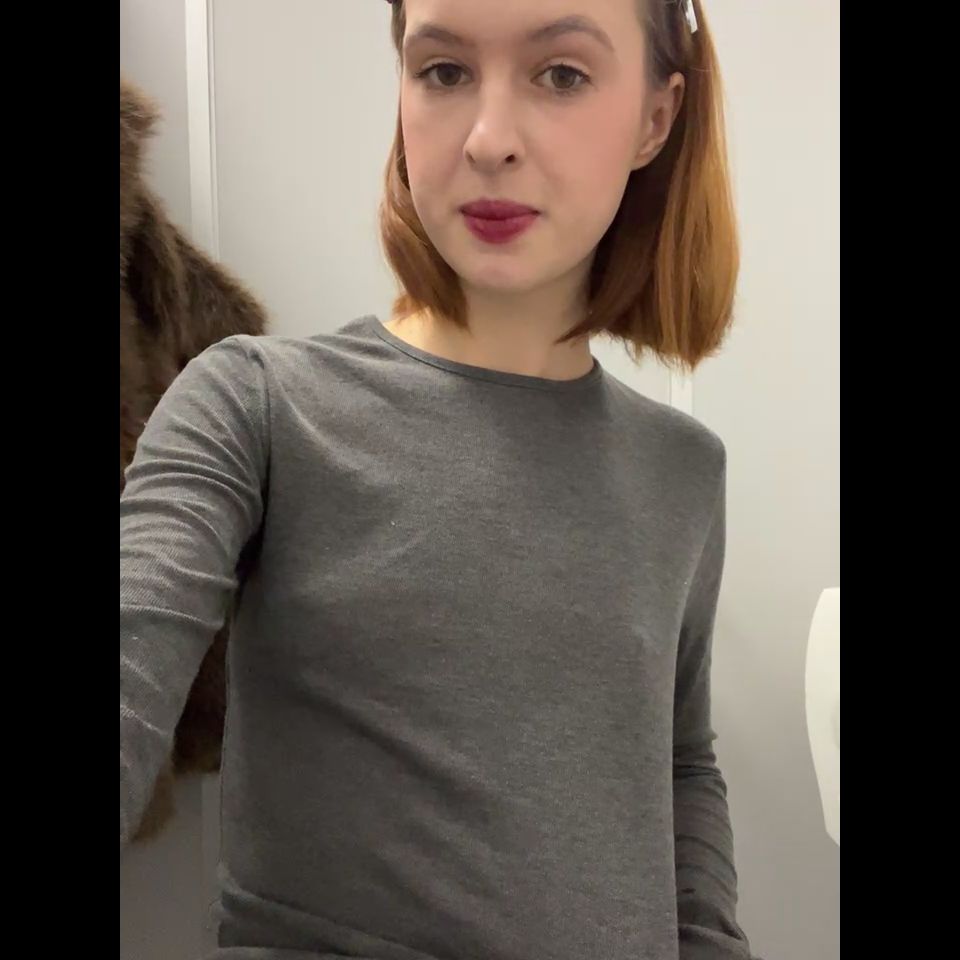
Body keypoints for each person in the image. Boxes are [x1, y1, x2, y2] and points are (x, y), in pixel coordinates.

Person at [120, 1, 754, 957]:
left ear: (655, 119)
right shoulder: (255, 406)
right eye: (444, 71)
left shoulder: (683, 470)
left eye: (562, 74)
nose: (489, 140)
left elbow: (678, 761)